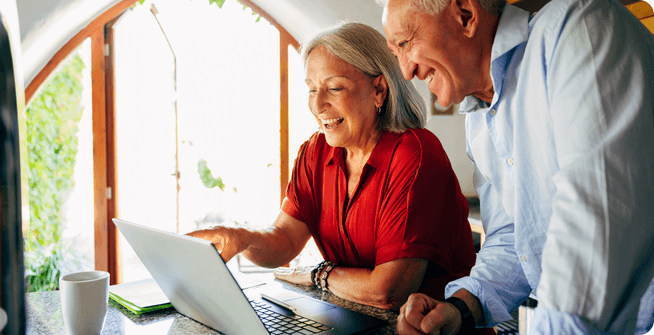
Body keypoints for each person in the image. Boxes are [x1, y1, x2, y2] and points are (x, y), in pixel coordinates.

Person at [381, 0, 654, 333]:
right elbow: (515, 240)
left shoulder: (576, 30)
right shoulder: (479, 118)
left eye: (406, 44)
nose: (406, 71)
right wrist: (460, 308)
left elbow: (594, 226)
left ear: (465, 15)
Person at [187, 22, 478, 311]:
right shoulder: (316, 151)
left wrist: (318, 275)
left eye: (335, 88)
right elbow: (285, 240)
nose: (318, 105)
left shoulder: (415, 155)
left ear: (379, 89)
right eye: (312, 90)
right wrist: (241, 238)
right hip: (362, 321)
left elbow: (388, 291)